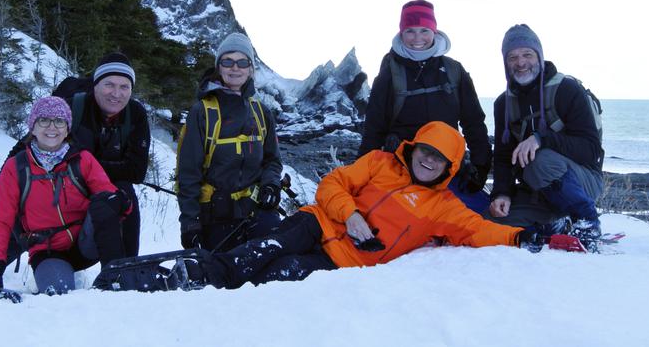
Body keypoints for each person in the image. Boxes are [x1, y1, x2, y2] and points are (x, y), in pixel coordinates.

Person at [183, 121, 541, 290]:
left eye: (440, 160)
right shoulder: (379, 163)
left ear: (449, 168)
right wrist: (351, 215)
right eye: (426, 151)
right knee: (266, 247)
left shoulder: (442, 206)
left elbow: (478, 229)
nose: (429, 162)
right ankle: (205, 273)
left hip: (344, 259)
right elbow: (332, 184)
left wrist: (520, 237)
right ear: (413, 147)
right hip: (316, 221)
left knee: (284, 270)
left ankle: (223, 295)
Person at [0, 52, 150, 262]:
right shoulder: (71, 108)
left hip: (89, 181)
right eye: (109, 85)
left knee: (123, 191)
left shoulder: (136, 114)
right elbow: (22, 152)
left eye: (124, 87)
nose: (116, 93)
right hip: (61, 180)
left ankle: (125, 267)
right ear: (95, 84)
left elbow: (137, 170)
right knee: (33, 196)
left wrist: (86, 167)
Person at [0, 97, 133, 296]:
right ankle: (62, 276)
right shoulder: (16, 167)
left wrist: (122, 202)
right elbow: (1, 219)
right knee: (58, 294)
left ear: (67, 129)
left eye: (59, 121)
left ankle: (114, 275)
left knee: (104, 202)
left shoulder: (82, 159)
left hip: (86, 243)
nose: (52, 127)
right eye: (44, 120)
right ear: (32, 128)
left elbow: (109, 196)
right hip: (47, 250)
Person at [358, 0, 492, 213]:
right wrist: (360, 176)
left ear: (434, 31)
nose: (417, 39)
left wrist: (480, 168)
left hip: (446, 170)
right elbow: (373, 130)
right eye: (410, 31)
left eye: (424, 30)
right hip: (400, 171)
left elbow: (474, 123)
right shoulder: (389, 75)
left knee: (484, 216)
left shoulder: (454, 71)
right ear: (401, 33)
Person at [486, 24, 604, 251]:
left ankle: (587, 222)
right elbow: (502, 157)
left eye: (527, 54)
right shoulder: (503, 104)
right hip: (538, 190)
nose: (521, 63)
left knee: (539, 160)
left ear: (539, 56)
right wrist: (501, 194)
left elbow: (591, 149)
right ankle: (558, 224)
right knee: (494, 222)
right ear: (505, 62)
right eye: (513, 57)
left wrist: (541, 139)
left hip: (582, 181)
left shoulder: (567, 90)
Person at [175, 32, 283, 252]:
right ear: (219, 66)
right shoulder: (202, 112)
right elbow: (188, 173)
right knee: (223, 278)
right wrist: (190, 222)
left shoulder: (261, 112)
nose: (235, 68)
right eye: (228, 61)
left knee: (275, 264)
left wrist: (271, 185)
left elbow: (272, 160)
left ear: (251, 68)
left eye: (242, 62)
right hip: (215, 215)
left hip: (256, 211)